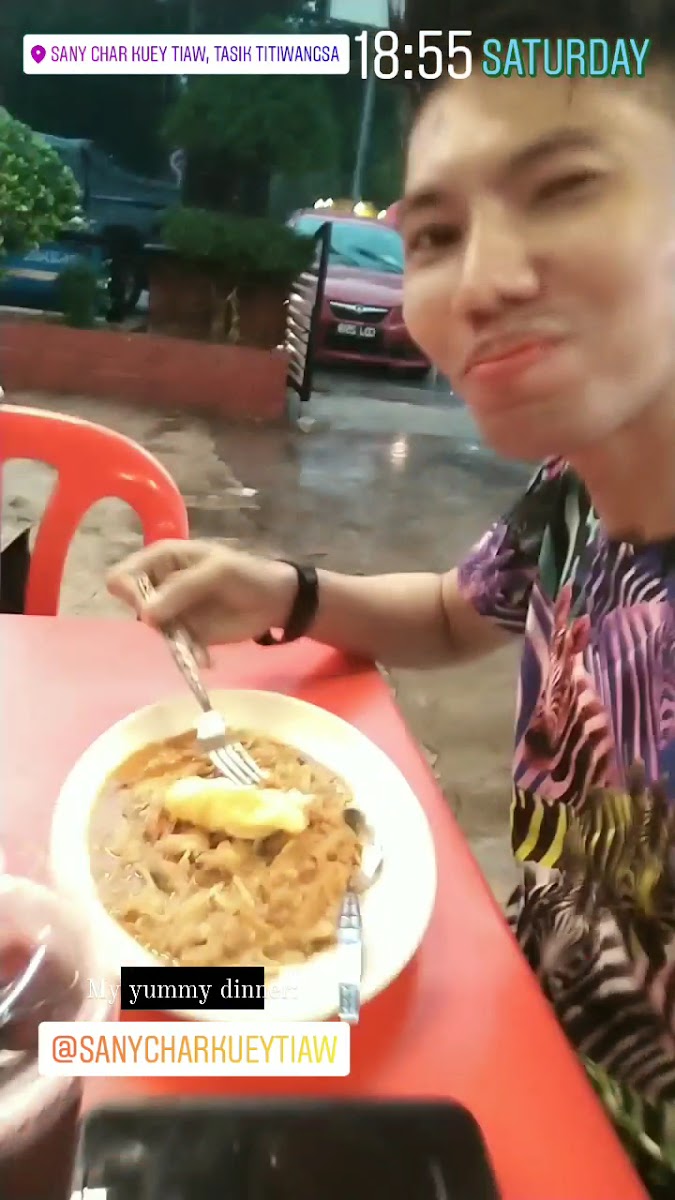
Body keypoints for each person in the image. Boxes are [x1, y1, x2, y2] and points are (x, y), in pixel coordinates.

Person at [108, 2, 674, 1190]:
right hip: (498, 1037)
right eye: (435, 233)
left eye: (566, 187)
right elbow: (456, 611)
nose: (482, 281)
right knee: (115, 1027)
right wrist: (288, 589)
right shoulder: (575, 488)